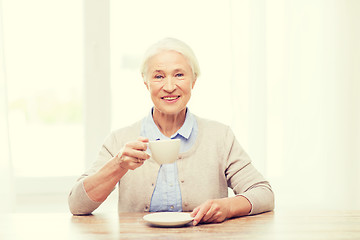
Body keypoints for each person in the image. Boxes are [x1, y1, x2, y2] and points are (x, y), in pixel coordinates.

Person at [68, 38, 274, 225]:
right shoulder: (120, 140)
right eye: (158, 76)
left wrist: (228, 207)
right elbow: (77, 205)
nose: (169, 86)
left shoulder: (220, 137)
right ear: (145, 82)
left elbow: (264, 193)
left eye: (179, 75)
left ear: (193, 81)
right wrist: (117, 166)